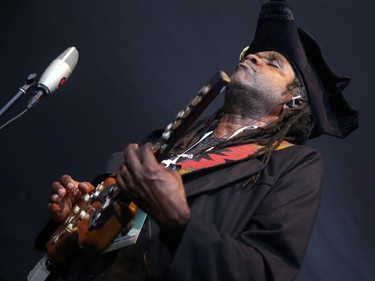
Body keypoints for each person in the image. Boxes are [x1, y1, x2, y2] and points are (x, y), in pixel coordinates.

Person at [34, 1, 359, 280]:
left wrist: (180, 220)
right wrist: (79, 215)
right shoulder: (169, 138)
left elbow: (263, 272)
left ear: (292, 103)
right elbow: (108, 228)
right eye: (254, 53)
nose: (255, 57)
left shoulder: (292, 165)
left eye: (272, 62)